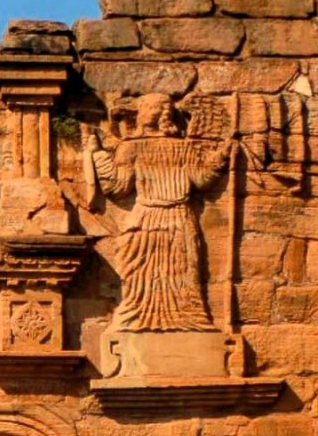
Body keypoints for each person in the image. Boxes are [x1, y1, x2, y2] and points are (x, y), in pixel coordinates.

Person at [86, 94, 230, 332]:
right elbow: (203, 179)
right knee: (144, 270)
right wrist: (220, 157)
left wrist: (98, 156)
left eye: (142, 109)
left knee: (175, 272)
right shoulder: (151, 147)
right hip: (162, 218)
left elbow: (117, 187)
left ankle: (177, 319)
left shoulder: (142, 147)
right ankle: (145, 318)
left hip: (162, 218)